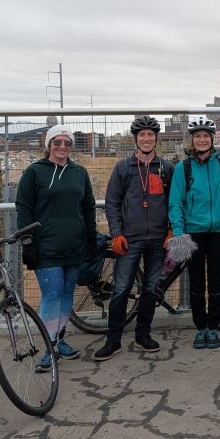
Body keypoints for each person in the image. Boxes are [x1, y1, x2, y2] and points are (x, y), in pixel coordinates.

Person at [15, 125, 97, 372]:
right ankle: (48, 348)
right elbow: (23, 208)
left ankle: (59, 340)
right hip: (46, 246)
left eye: (67, 143)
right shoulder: (34, 172)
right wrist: (27, 242)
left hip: (74, 244)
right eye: (57, 142)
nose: (62, 147)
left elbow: (88, 207)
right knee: (51, 296)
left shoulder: (79, 172)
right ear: (48, 145)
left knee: (66, 296)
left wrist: (91, 239)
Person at [94, 115, 173, 361]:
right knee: (121, 289)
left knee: (150, 288)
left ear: (156, 138)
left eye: (151, 135)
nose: (147, 139)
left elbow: (174, 202)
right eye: (142, 135)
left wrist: (172, 229)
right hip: (130, 238)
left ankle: (143, 334)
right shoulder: (123, 168)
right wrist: (116, 233)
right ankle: (113, 339)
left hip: (159, 238)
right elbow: (112, 203)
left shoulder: (166, 168)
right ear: (136, 139)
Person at [167, 115, 220, 350]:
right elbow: (175, 203)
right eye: (197, 136)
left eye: (205, 136)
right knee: (197, 283)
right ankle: (201, 328)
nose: (201, 140)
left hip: (219, 231)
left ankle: (214, 326)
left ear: (212, 140)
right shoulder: (183, 167)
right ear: (192, 141)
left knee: (216, 282)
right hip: (194, 232)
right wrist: (179, 233)